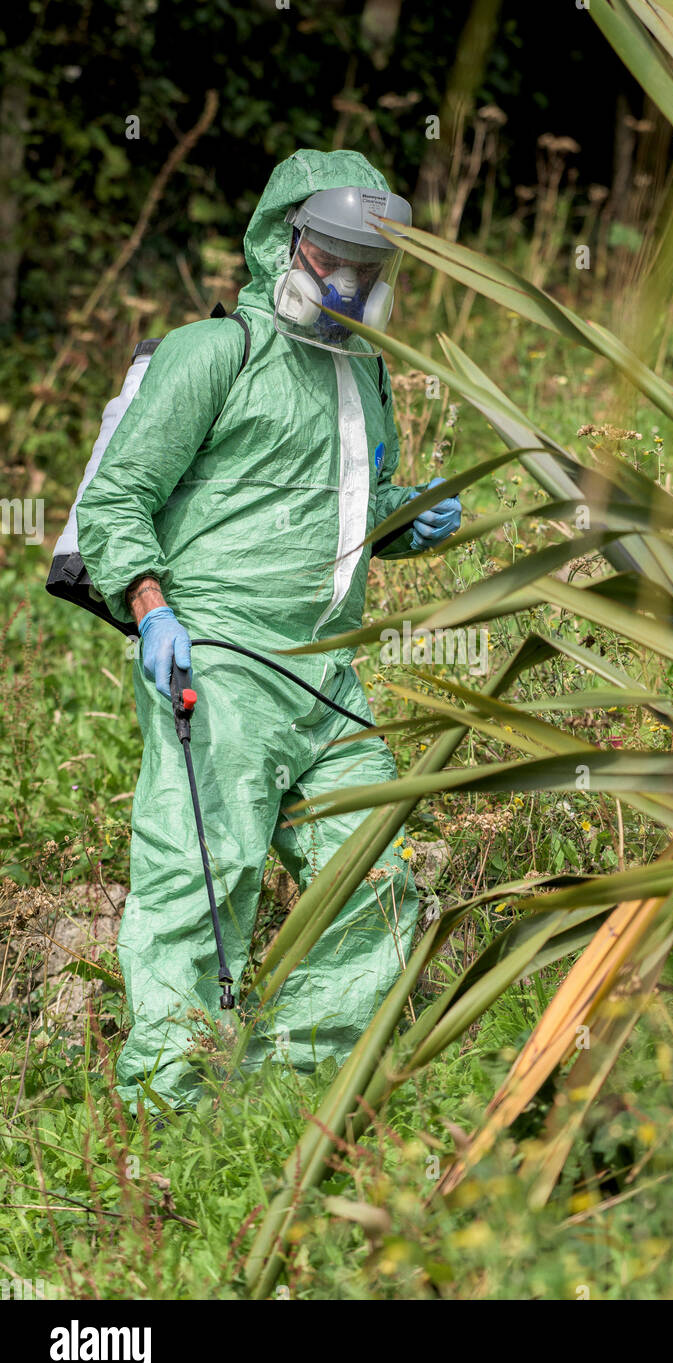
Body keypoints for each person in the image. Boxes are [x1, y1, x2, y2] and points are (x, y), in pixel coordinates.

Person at [76, 149, 461, 1114]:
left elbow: (336, 508)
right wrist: (153, 612)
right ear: (287, 241)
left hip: (327, 673)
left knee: (366, 868)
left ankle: (299, 1076)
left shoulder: (363, 372)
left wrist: (399, 521)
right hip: (220, 651)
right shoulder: (213, 353)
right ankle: (169, 1096)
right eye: (333, 256)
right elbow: (118, 499)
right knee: (205, 870)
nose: (350, 281)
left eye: (369, 267)